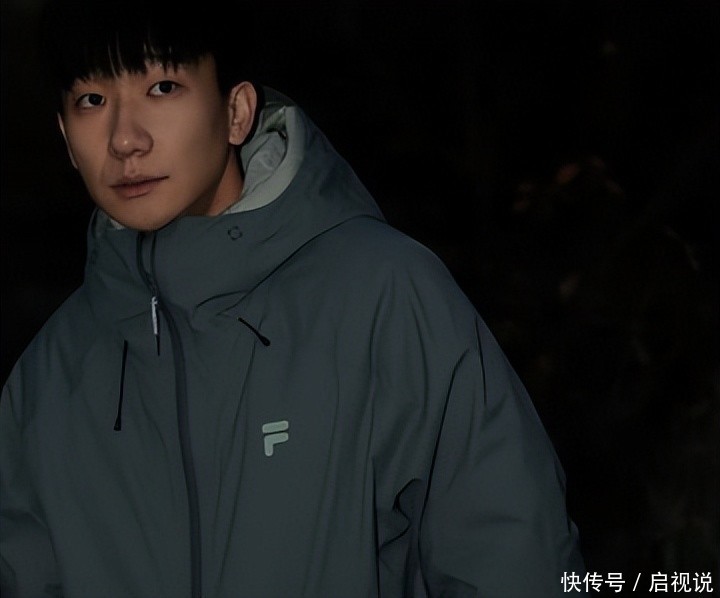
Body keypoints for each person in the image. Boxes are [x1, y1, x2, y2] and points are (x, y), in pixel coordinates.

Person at [0, 0, 586, 596]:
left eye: (163, 86)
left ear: (236, 111)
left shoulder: (382, 294)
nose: (125, 139)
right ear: (65, 136)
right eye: (91, 100)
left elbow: (514, 558)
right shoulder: (47, 377)